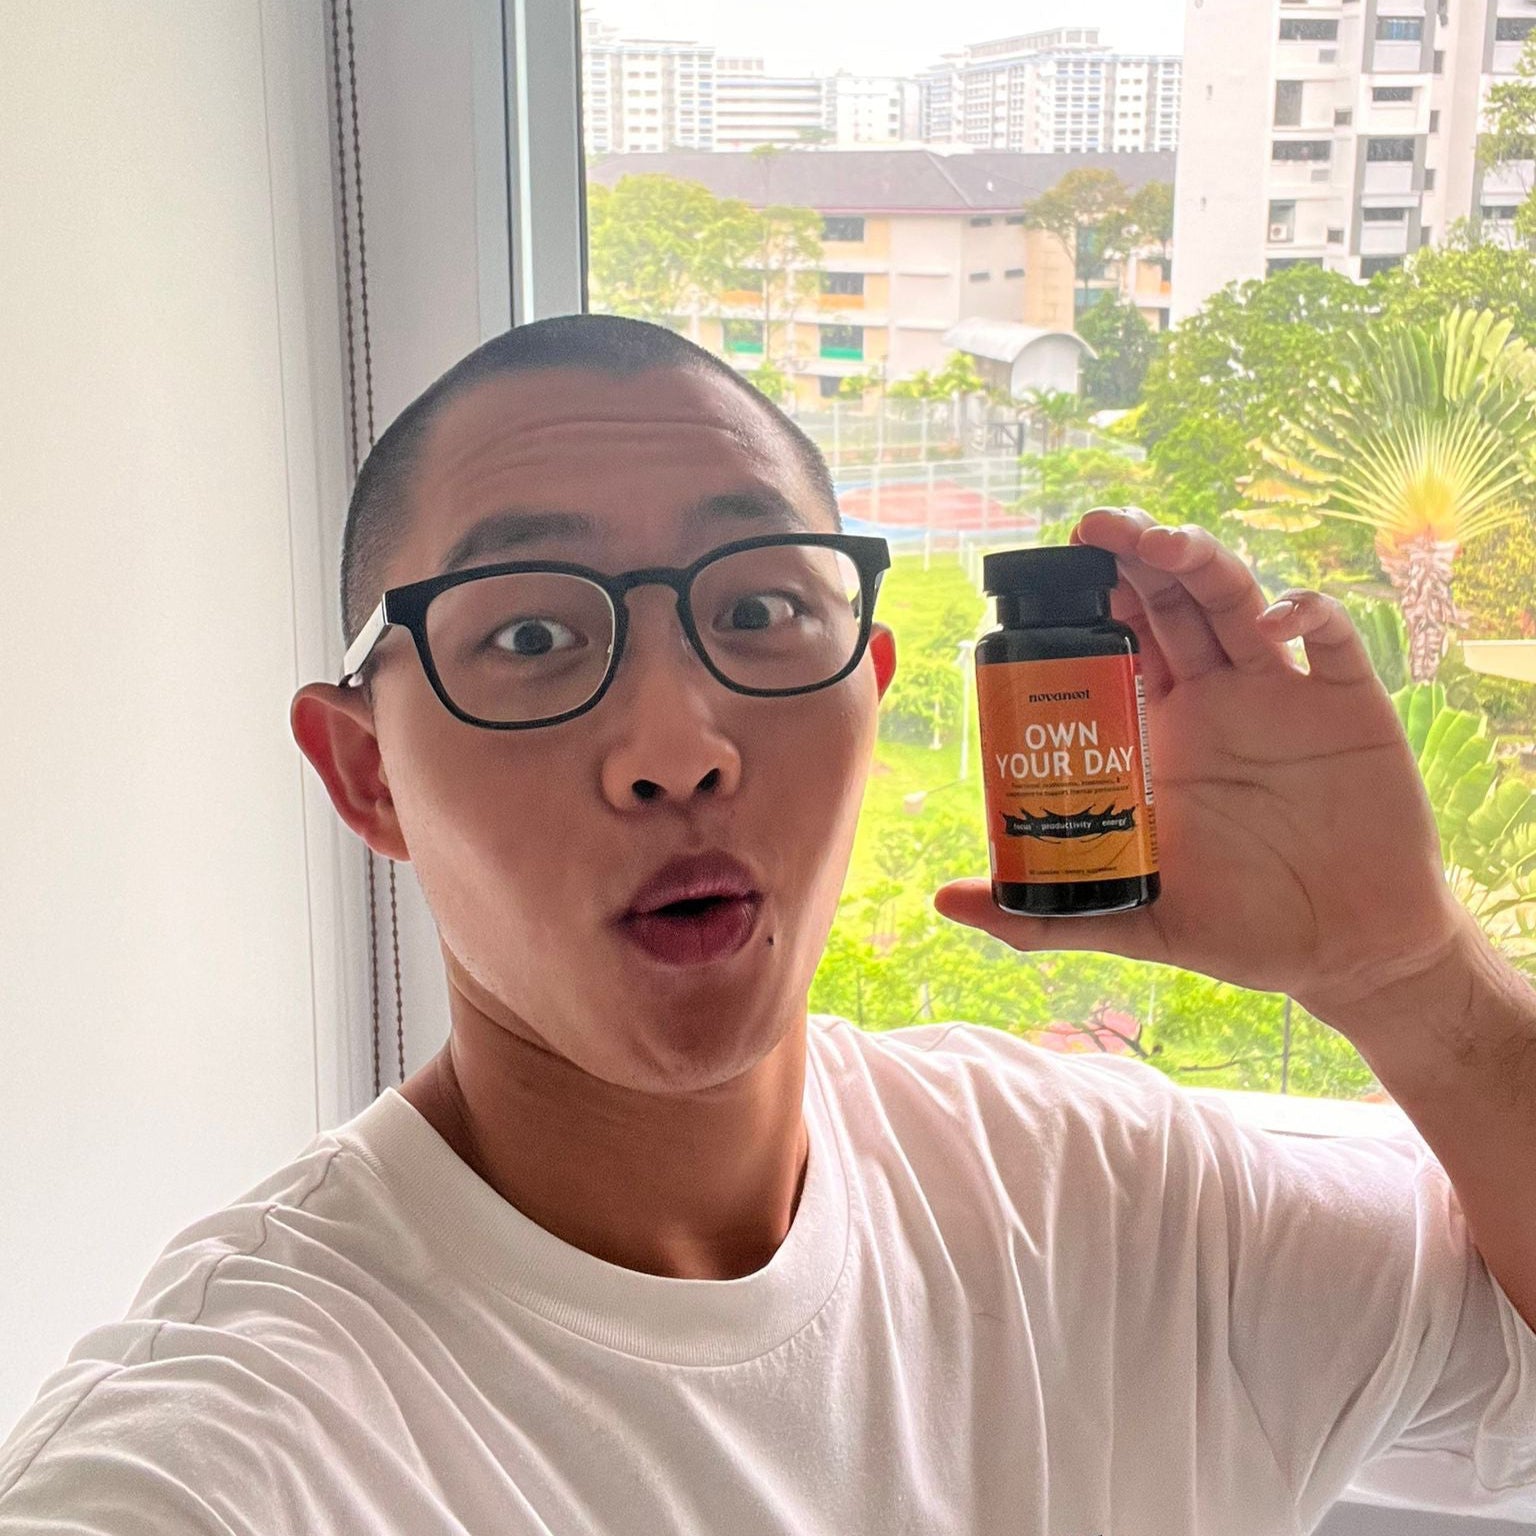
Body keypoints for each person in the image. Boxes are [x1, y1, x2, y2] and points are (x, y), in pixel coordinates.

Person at [2, 313, 1534, 1535]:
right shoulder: (234, 1459)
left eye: (758, 611)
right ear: (367, 771)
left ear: (870, 695)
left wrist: (1408, 975)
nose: (679, 742)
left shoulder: (1104, 1205)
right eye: (532, 633)